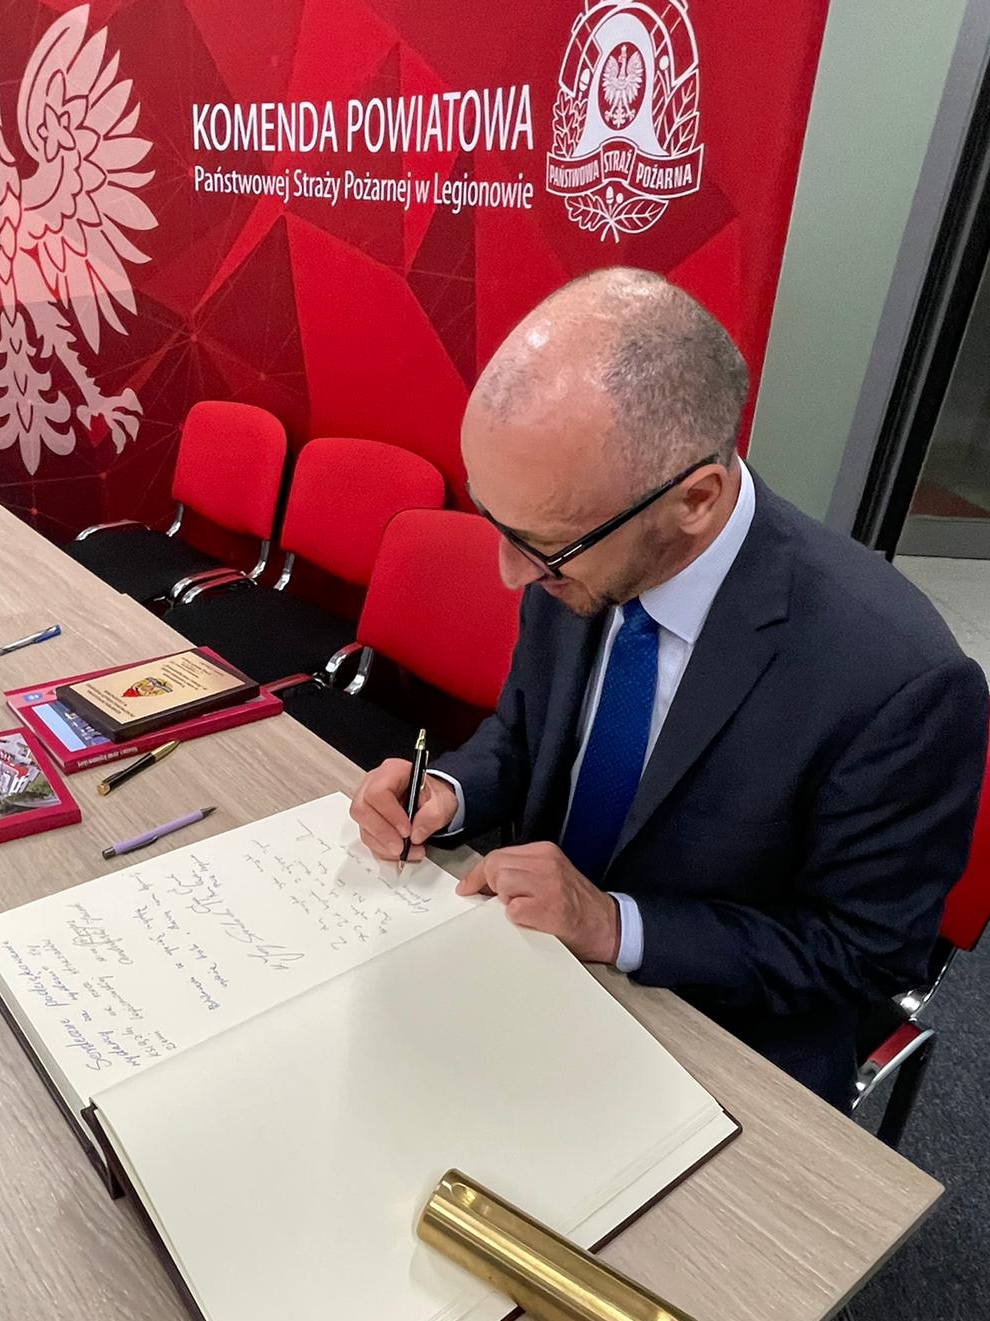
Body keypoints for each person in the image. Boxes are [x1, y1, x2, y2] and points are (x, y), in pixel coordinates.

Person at [350, 268, 988, 1108]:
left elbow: (864, 953)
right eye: (496, 523)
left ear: (695, 500)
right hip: (524, 961)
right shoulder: (576, 546)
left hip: (718, 1036)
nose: (510, 574)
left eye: (540, 547)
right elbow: (527, 734)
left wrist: (614, 924)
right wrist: (448, 792)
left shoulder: (896, 678)